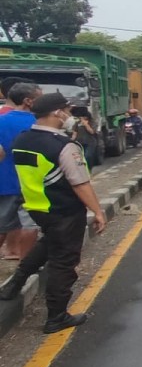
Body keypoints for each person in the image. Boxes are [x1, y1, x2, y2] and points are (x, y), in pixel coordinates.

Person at [0, 92, 107, 333]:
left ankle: (14, 283)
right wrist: (97, 211)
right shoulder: (64, 146)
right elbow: (80, 183)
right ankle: (56, 317)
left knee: (49, 245)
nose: (69, 115)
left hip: (37, 207)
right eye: (66, 111)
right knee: (63, 262)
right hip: (63, 210)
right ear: (57, 113)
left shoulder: (22, 139)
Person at [0, 82, 42, 265]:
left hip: (5, 182)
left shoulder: (1, 121)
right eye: (40, 98)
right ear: (28, 101)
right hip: (31, 183)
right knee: (30, 225)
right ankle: (25, 266)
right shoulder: (38, 124)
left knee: (2, 226)